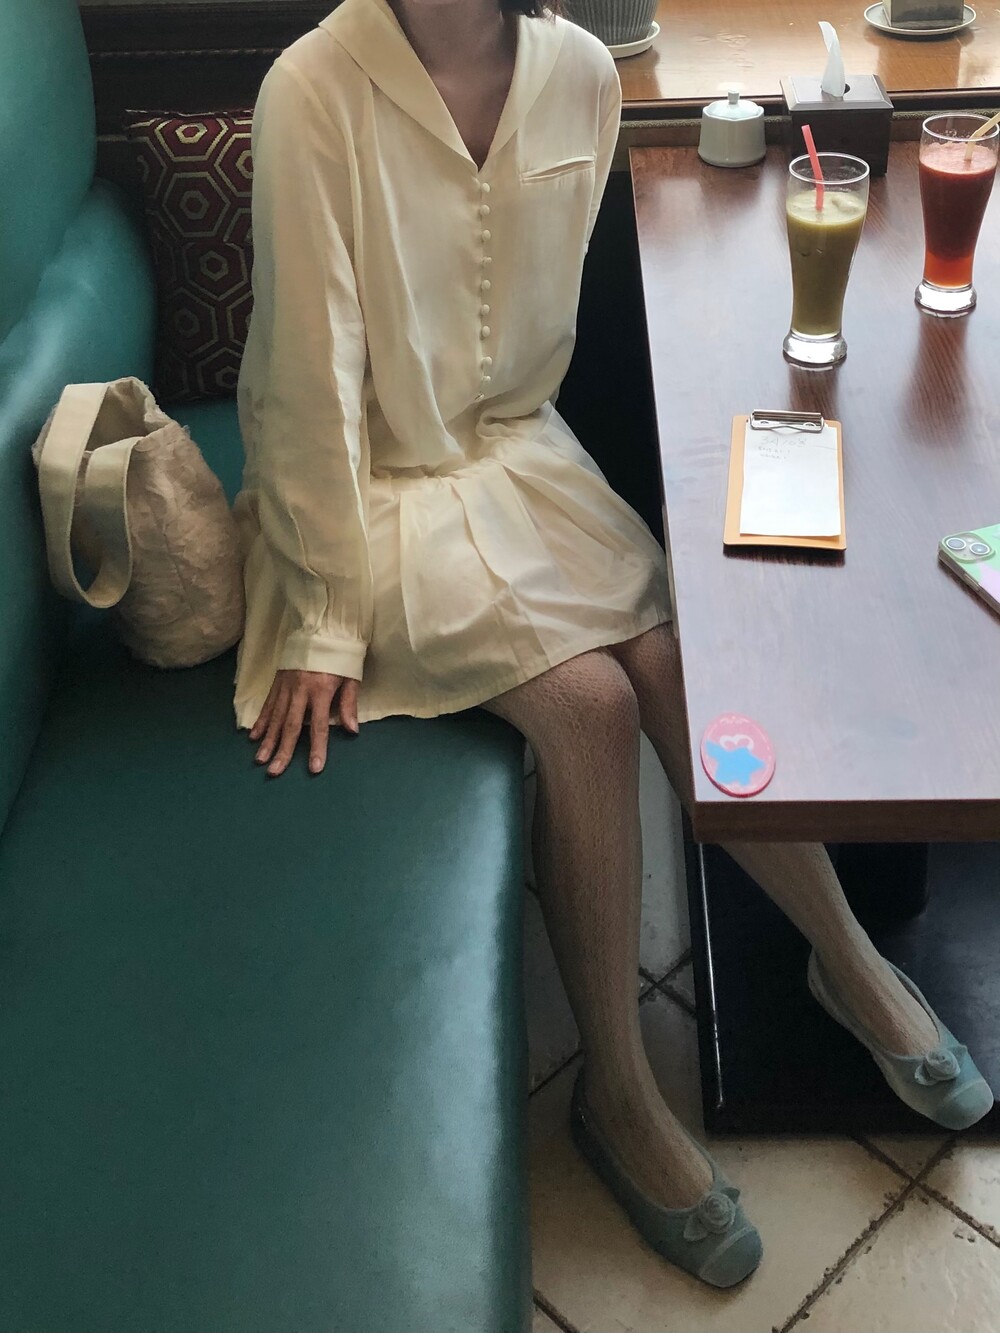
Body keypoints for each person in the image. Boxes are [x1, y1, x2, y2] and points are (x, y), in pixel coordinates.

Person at [232, 0, 993, 1288]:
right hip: (365, 493)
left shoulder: (583, 75)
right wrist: (318, 614)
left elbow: (529, 353)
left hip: (516, 457)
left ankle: (848, 960)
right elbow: (308, 380)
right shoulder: (313, 88)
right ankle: (617, 1090)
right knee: (589, 707)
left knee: (675, 664)